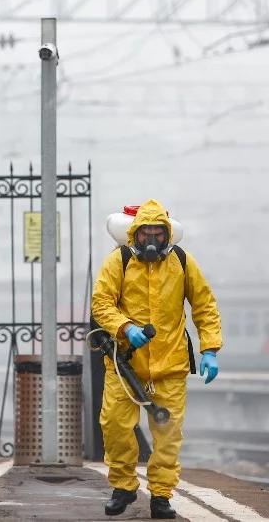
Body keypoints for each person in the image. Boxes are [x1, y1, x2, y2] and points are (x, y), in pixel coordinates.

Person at [91, 199, 222, 519]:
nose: (151, 240)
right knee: (115, 425)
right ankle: (123, 486)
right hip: (125, 363)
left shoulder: (182, 261)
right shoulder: (118, 261)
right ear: (134, 234)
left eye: (158, 234)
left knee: (168, 433)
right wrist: (125, 327)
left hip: (170, 364)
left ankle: (161, 495)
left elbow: (204, 304)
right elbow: (101, 303)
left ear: (167, 235)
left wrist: (210, 349)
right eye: (145, 232)